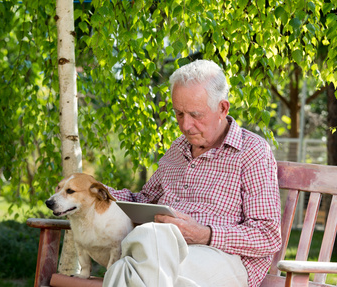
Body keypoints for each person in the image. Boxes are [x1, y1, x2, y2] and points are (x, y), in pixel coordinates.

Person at [102, 59, 281, 287]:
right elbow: (143, 200)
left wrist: (204, 234)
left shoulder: (252, 151)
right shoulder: (178, 149)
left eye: (195, 115)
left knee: (126, 270)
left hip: (224, 257)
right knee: (142, 261)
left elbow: (267, 235)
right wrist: (95, 191)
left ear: (222, 108)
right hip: (163, 251)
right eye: (179, 114)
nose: (186, 126)